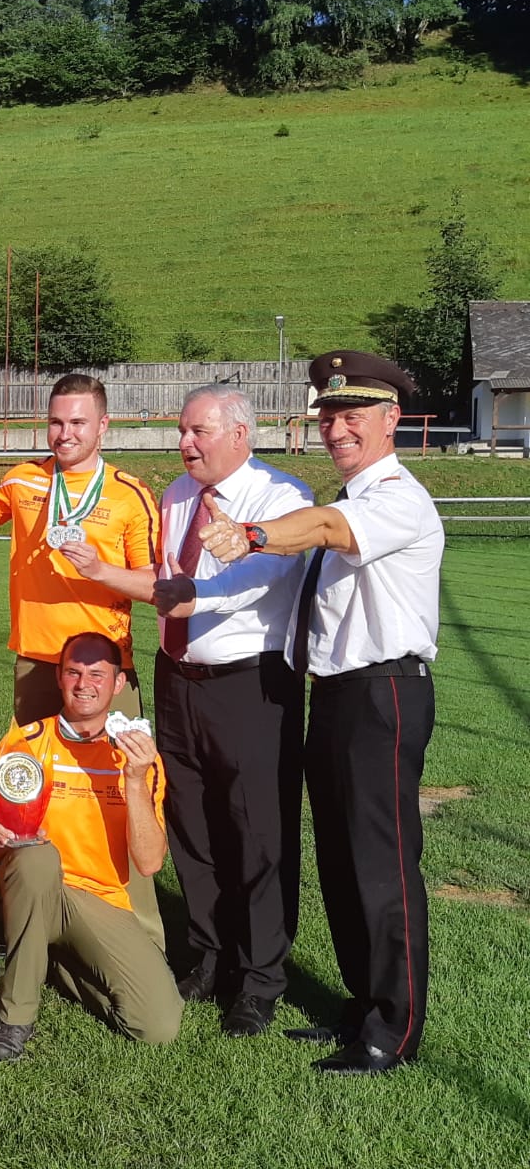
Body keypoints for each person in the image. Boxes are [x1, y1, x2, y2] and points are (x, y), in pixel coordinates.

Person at [199, 351, 441, 1076]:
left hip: (382, 693)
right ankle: (360, 1007)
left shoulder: (395, 497)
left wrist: (250, 534)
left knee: (381, 865)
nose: (336, 429)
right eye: (329, 417)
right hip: (336, 693)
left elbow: (330, 529)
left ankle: (393, 1029)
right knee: (340, 862)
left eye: (352, 416)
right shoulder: (354, 496)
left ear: (391, 420)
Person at [130, 385, 312, 1037]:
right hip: (177, 679)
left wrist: (189, 596)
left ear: (239, 434)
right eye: (182, 430)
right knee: (192, 825)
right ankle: (208, 956)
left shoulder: (282, 498)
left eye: (197, 431)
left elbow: (255, 580)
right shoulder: (176, 495)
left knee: (256, 832)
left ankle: (260, 977)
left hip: (248, 685)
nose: (184, 443)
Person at [0, 631, 183, 1061]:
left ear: (119, 683)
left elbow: (149, 862)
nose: (83, 684)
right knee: (37, 858)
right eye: (73, 672)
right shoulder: (25, 743)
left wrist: (133, 779)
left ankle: (54, 962)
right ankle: (16, 1018)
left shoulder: (138, 757)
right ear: (58, 677)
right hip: (30, 891)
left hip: (99, 900)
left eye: (97, 674)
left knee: (157, 1025)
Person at [0, 373, 159, 725]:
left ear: (103, 425)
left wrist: (99, 571)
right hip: (35, 659)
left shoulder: (130, 494)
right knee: (33, 759)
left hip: (100, 662)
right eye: (56, 422)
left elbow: (155, 586)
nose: (65, 434)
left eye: (78, 423)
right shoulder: (23, 478)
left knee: (114, 758)